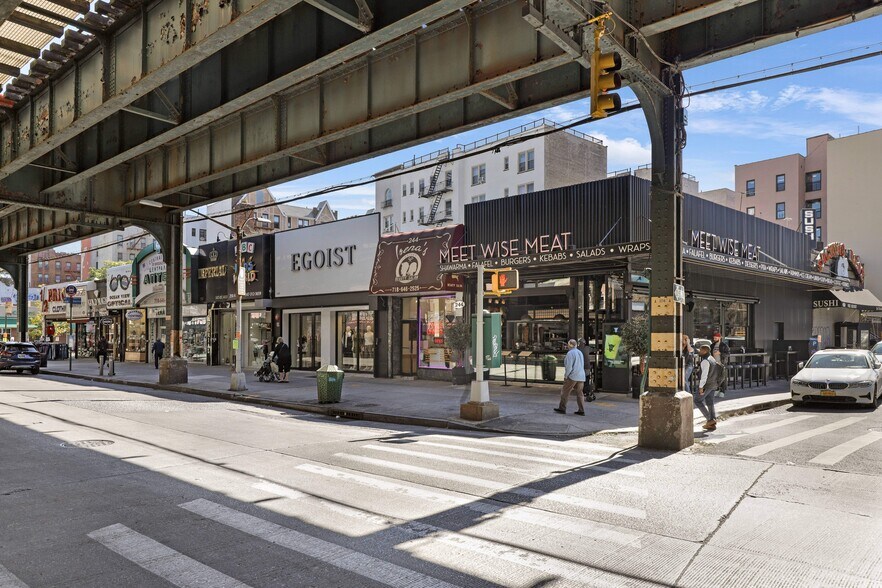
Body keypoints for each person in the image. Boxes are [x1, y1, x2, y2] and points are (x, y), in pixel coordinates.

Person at [554, 339, 586, 416]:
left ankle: (562, 408)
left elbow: (569, 367)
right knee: (580, 393)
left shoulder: (570, 353)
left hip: (572, 376)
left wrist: (566, 376)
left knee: (565, 392)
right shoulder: (580, 352)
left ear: (569, 345)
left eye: (568, 345)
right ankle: (581, 410)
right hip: (581, 376)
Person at [696, 344, 722, 431]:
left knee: (697, 400)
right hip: (713, 384)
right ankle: (712, 422)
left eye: (701, 350)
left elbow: (704, 375)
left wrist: (701, 387)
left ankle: (710, 420)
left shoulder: (705, 361)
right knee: (710, 402)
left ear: (705, 351)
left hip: (707, 385)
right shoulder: (712, 359)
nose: (699, 351)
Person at [578, 337, 596, 402]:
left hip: (580, 367)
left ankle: (582, 391)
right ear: (584, 343)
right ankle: (586, 391)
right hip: (587, 366)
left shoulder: (577, 349)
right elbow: (595, 349)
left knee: (581, 380)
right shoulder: (587, 348)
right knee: (587, 379)